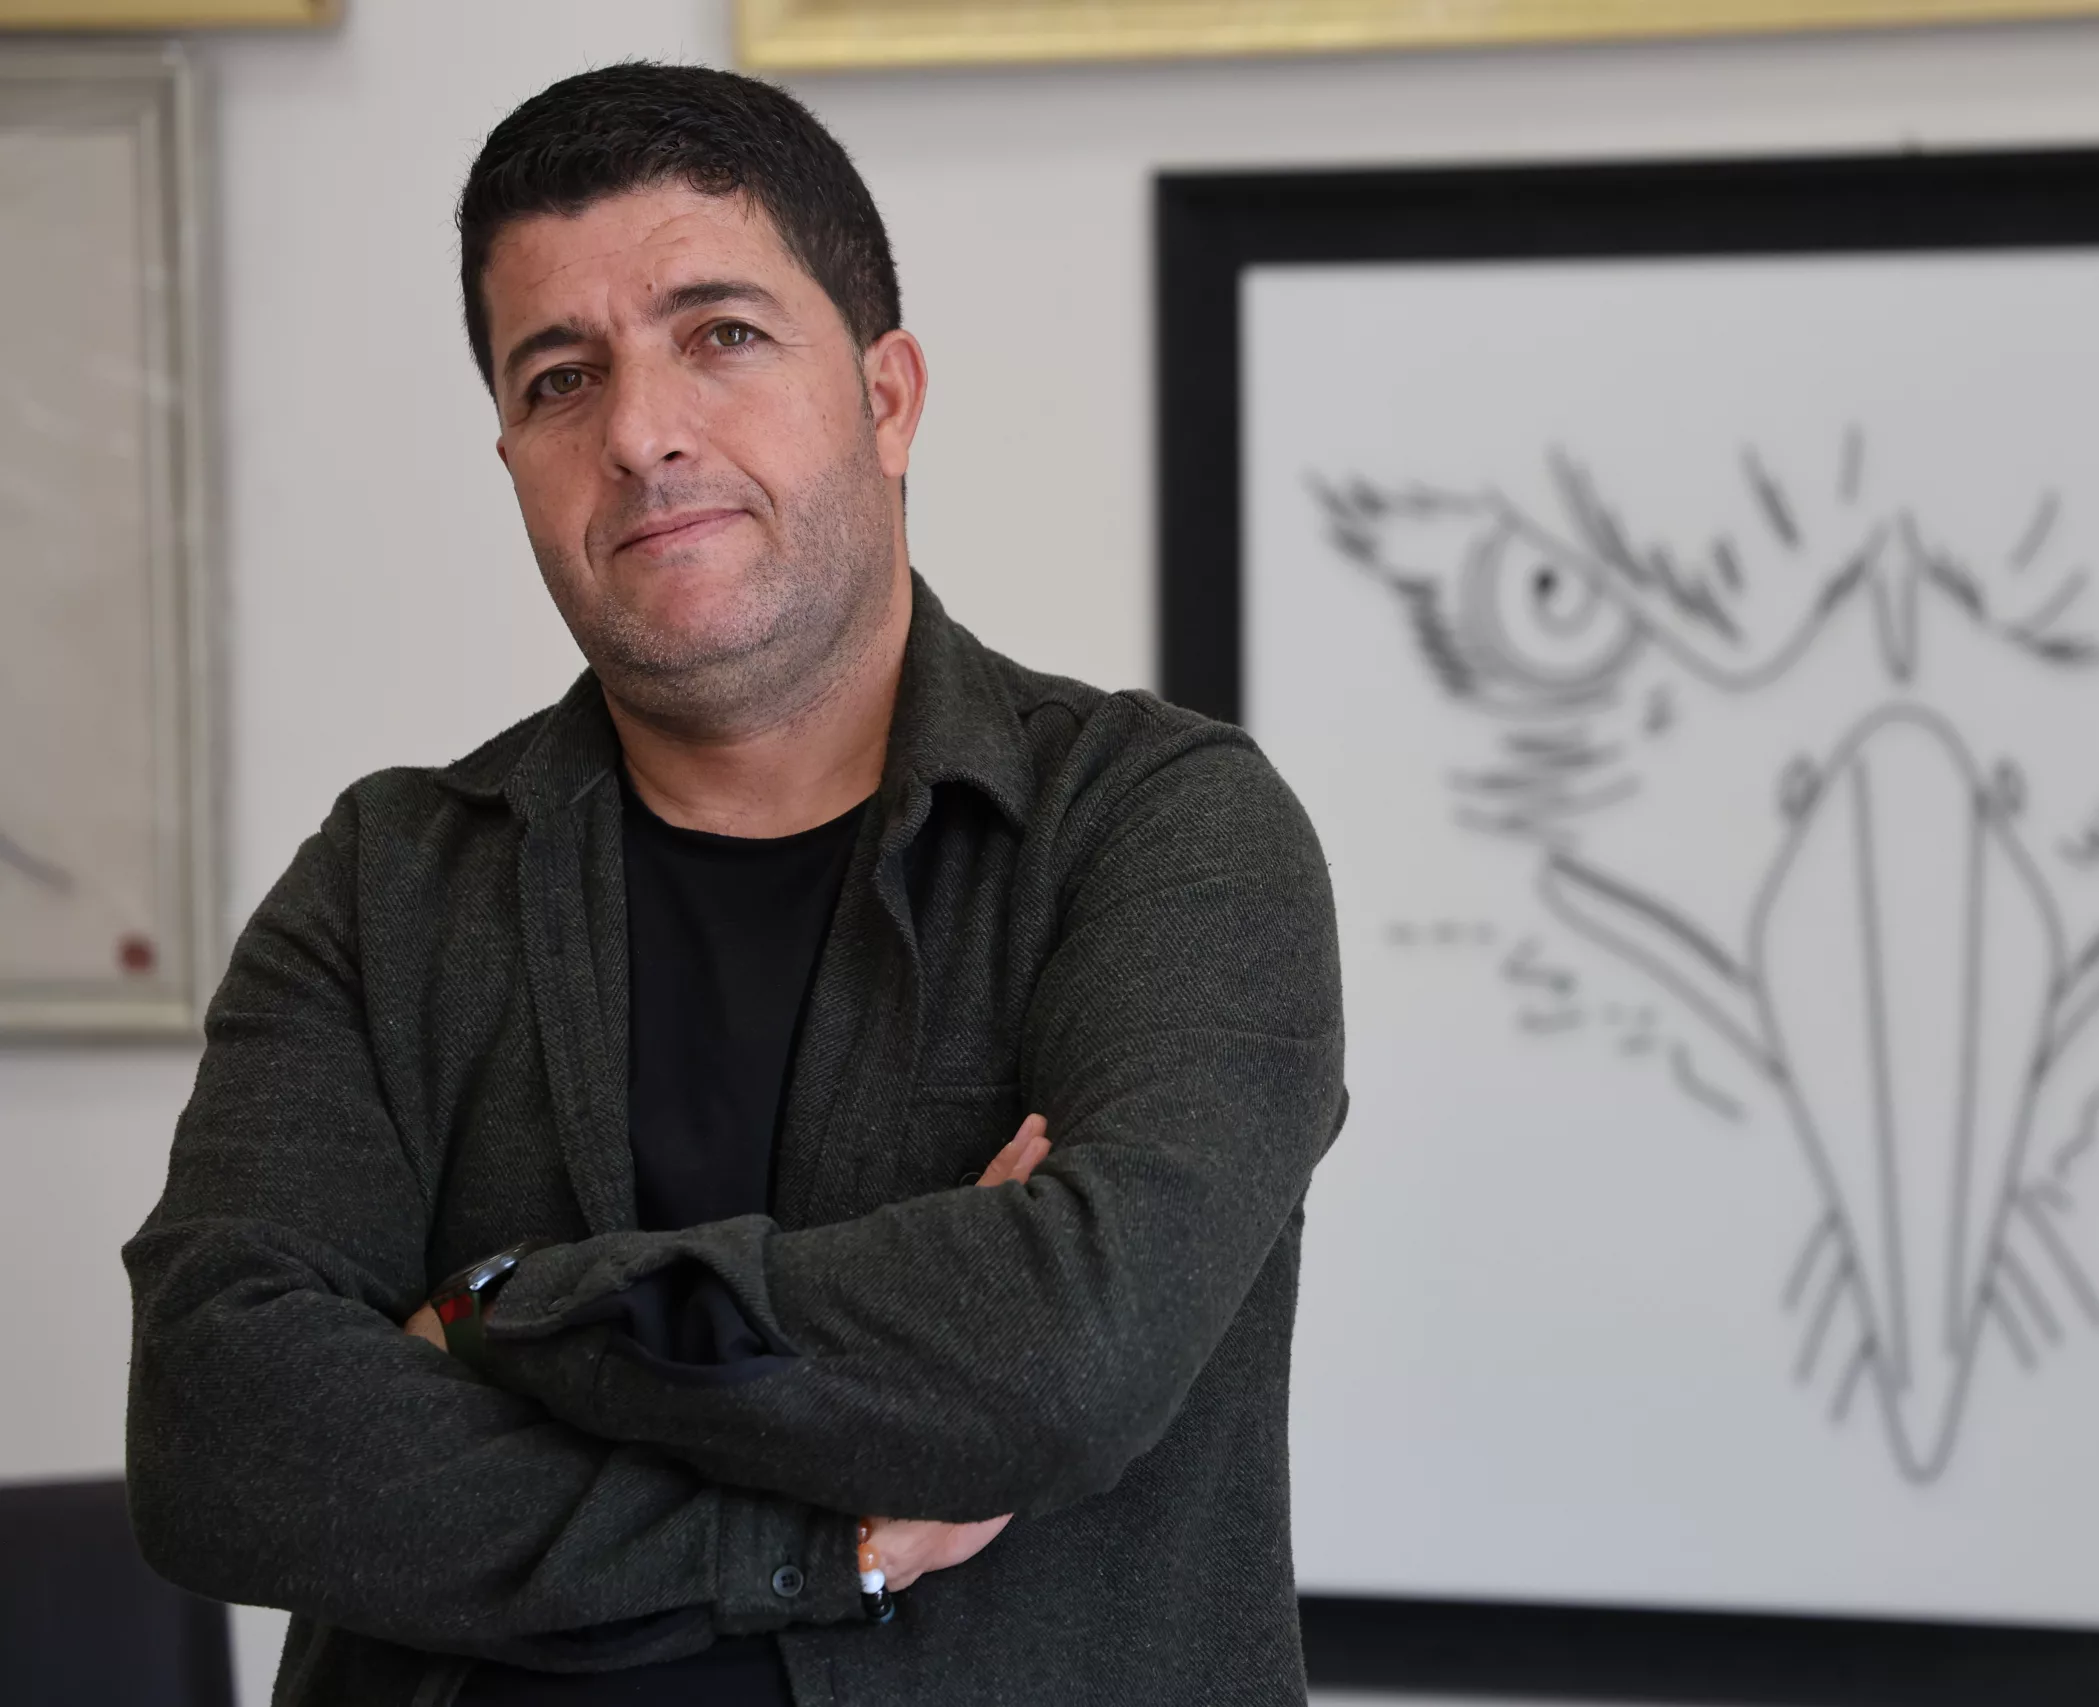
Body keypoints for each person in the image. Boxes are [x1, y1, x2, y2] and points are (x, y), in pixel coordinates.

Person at [122, 62, 1345, 1707]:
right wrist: (808, 1543)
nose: (640, 433)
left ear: (889, 396)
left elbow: (1070, 1358)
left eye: (721, 334)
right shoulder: (387, 883)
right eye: (561, 377)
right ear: (512, 455)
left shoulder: (1159, 830)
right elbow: (221, 1436)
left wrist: (498, 1310)